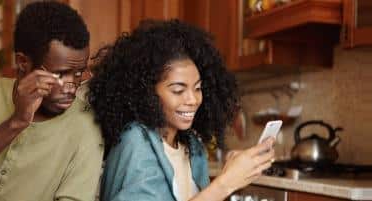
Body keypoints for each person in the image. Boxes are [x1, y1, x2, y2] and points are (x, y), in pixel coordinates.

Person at [88, 19, 275, 201]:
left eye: (198, 88)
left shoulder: (192, 145)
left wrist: (233, 171)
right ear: (146, 92)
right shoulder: (136, 140)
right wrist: (226, 182)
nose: (193, 100)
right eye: (178, 90)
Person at [0, 2, 103, 201]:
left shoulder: (86, 126)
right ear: (23, 62)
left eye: (78, 74)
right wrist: (16, 122)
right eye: (60, 74)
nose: (71, 86)